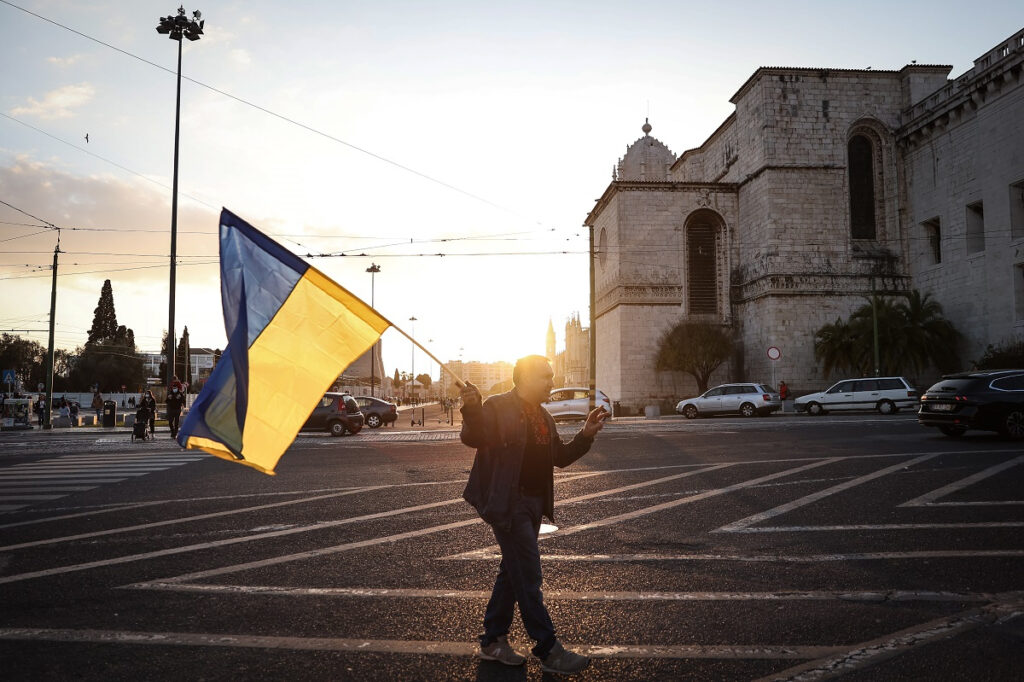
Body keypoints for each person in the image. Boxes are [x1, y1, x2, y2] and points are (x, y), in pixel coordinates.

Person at [460, 354, 608, 674]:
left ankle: (492, 640)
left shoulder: (544, 416)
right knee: (528, 575)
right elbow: (473, 436)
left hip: (533, 505)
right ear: (524, 378)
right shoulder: (498, 406)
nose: (552, 383)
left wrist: (586, 434)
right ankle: (548, 649)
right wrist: (472, 408)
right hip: (508, 503)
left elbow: (561, 457)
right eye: (546, 377)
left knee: (512, 574)